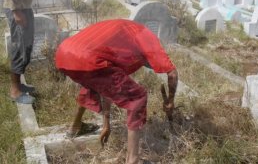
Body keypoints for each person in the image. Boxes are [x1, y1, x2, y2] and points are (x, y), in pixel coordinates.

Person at [55, 19, 178, 164]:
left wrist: (107, 123)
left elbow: (107, 87)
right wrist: (170, 101)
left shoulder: (125, 40)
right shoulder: (147, 38)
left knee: (93, 82)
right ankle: (133, 160)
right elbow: (172, 73)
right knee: (137, 98)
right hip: (87, 57)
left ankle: (75, 127)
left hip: (63, 54)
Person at [4, 0, 35, 104]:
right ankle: (15, 91)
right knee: (20, 48)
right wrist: (16, 11)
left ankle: (19, 85)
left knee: (26, 47)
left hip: (23, 6)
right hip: (18, 8)